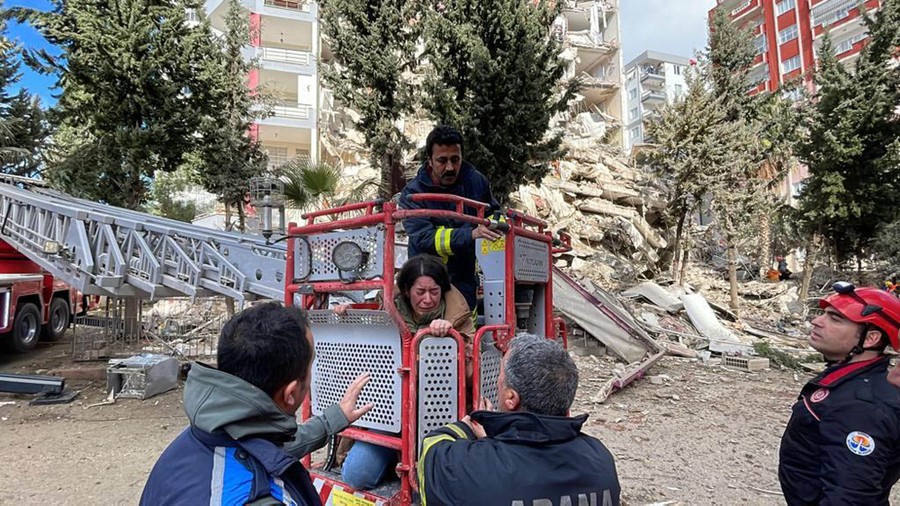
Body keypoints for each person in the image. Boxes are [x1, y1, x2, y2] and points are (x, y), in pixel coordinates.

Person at [141, 303, 373, 505]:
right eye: (311, 365)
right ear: (291, 393)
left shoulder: (200, 438)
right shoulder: (259, 497)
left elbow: (267, 450)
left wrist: (335, 417)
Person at [417, 334, 621, 505]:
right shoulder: (600, 459)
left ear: (511, 398)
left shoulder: (471, 467)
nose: (497, 381)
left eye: (500, 375)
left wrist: (468, 426)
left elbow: (431, 450)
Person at [337, 254, 475, 490]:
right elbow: (359, 348)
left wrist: (453, 341)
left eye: (434, 291)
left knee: (436, 484)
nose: (428, 299)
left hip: (439, 414)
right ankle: (395, 456)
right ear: (406, 290)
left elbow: (472, 374)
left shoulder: (458, 319)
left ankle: (407, 457)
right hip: (389, 411)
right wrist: (347, 314)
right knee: (356, 475)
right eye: (420, 291)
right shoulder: (386, 311)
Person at [779, 282, 900, 505]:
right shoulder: (849, 382)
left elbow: (850, 497)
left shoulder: (862, 407)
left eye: (835, 319)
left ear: (871, 338)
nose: (816, 321)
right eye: (823, 314)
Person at [400, 124, 501, 310]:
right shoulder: (412, 195)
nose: (450, 167)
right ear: (429, 160)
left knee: (464, 329)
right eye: (442, 160)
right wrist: (470, 235)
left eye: (455, 159)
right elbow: (424, 238)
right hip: (427, 281)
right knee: (429, 334)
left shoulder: (476, 182)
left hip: (464, 278)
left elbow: (494, 215)